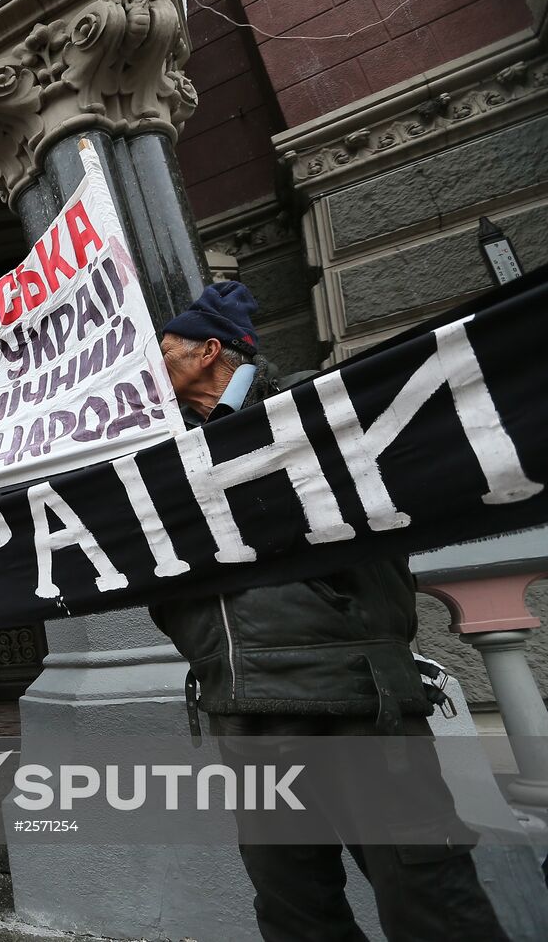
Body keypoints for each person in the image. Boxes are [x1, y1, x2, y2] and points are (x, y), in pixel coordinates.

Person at [150, 281, 508, 942]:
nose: (150, 365)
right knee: (293, 911)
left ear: (208, 352)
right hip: (246, 705)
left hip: (352, 697)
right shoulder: (162, 456)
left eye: (162, 350)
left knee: (428, 899)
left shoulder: (315, 406)